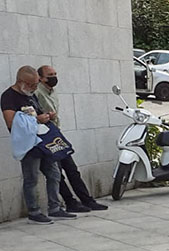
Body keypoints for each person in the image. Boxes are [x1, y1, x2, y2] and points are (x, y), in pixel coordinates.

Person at [1, 66, 76, 224]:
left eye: (36, 84)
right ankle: (34, 212)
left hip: (43, 140)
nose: (35, 88)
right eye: (32, 84)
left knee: (54, 173)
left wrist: (47, 116)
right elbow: (11, 122)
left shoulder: (31, 95)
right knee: (31, 178)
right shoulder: (9, 96)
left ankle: (54, 208)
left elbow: (37, 112)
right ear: (22, 82)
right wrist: (36, 120)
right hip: (27, 143)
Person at [35, 65, 108, 213]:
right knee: (57, 172)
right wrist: (48, 116)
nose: (54, 77)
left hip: (56, 133)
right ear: (41, 78)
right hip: (44, 136)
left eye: (55, 73)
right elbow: (34, 116)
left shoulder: (53, 91)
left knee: (72, 169)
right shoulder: (37, 93)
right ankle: (70, 202)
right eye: (50, 74)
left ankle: (87, 200)